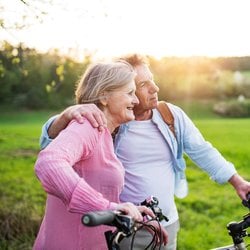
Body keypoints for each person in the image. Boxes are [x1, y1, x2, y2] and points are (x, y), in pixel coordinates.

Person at [40, 54, 250, 250]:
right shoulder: (99, 123)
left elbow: (202, 150)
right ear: (107, 94)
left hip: (160, 221)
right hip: (122, 227)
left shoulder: (169, 116)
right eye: (137, 88)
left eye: (151, 80)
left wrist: (237, 182)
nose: (155, 88)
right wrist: (66, 116)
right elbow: (53, 149)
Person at [33, 60, 168, 250]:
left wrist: (132, 214)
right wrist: (104, 207)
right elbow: (48, 163)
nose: (136, 100)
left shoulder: (105, 134)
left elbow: (99, 191)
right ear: (104, 96)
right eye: (130, 93)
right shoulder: (87, 126)